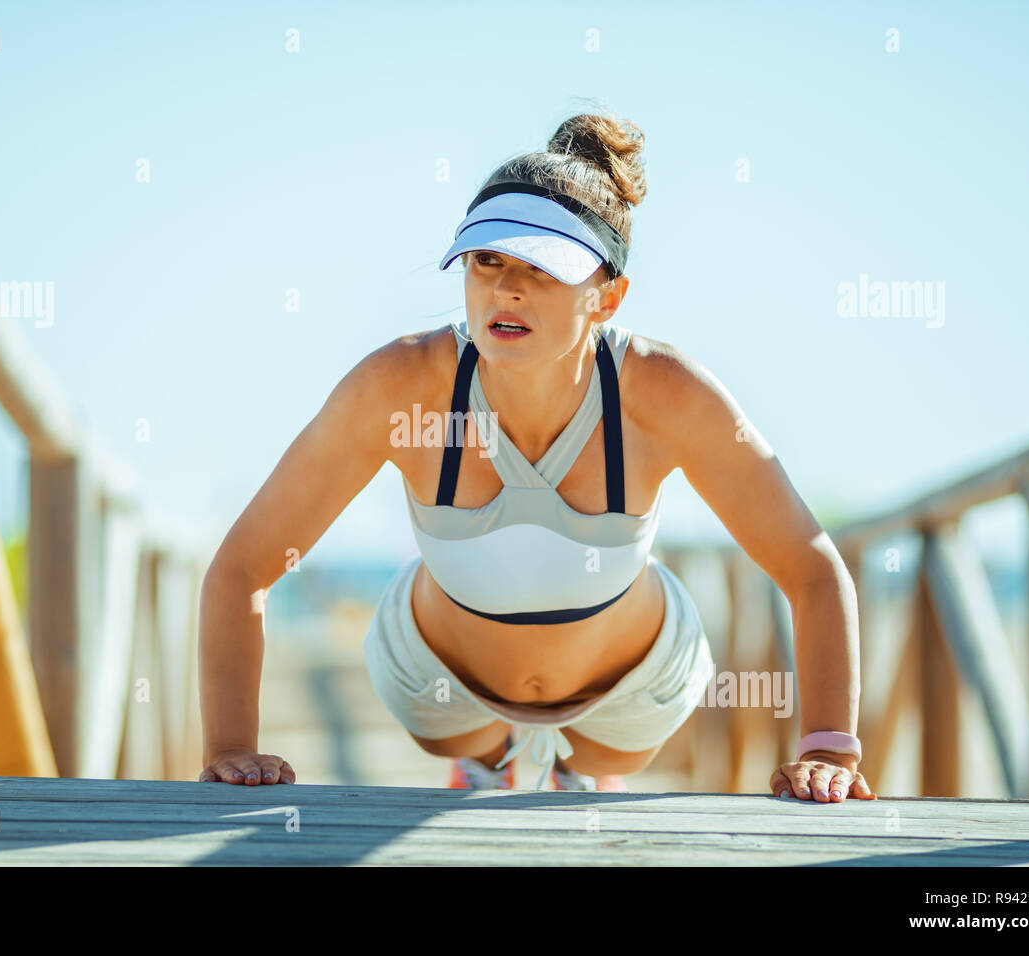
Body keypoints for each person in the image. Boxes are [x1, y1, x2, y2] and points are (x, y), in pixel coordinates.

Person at [198, 109, 876, 800]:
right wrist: (230, 748)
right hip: (444, 691)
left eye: (543, 269)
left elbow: (812, 568)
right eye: (486, 260)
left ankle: (579, 770)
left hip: (629, 697)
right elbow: (243, 567)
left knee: (600, 767)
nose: (506, 288)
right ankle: (497, 761)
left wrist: (829, 751)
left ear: (609, 296)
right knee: (468, 739)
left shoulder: (665, 394)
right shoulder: (401, 387)